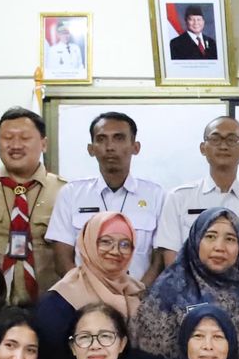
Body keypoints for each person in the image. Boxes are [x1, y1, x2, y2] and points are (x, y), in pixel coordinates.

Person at [134, 206, 239, 359]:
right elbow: (151, 354)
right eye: (210, 236)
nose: (219, 247)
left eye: (230, 239)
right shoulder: (169, 288)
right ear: (196, 239)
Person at [31, 213, 146, 359]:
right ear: (88, 243)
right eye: (105, 242)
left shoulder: (139, 293)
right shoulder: (60, 301)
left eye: (125, 244)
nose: (115, 251)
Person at [0, 107, 67, 306]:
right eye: (7, 138)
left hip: (49, 306)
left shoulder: (64, 192)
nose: (15, 145)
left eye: (25, 138)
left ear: (44, 144)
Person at [48, 112, 164, 283]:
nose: (110, 147)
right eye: (101, 139)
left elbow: (159, 260)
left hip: (139, 295)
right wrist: (87, 292)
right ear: (91, 149)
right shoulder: (71, 193)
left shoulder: (156, 195)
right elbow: (62, 259)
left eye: (119, 138)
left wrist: (139, 293)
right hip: (84, 296)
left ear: (135, 147)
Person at [155, 117, 239, 277]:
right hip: (189, 292)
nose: (223, 146)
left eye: (232, 140)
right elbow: (171, 258)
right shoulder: (178, 198)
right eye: (215, 139)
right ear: (203, 148)